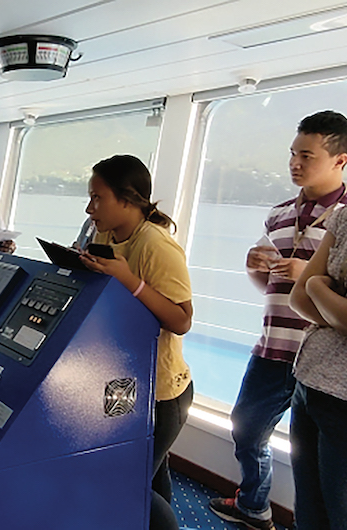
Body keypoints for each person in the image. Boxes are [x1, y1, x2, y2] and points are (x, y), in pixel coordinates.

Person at [209, 110, 347, 530]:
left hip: (324, 359)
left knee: (327, 481)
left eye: (307, 155)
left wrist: (306, 278)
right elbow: (267, 288)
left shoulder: (343, 216)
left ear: (341, 160)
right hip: (274, 343)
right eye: (292, 154)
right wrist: (254, 267)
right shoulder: (279, 213)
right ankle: (254, 504)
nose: (295, 163)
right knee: (246, 431)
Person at [78, 154, 193, 530]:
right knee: (149, 480)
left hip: (161, 394)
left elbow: (181, 320)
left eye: (98, 199)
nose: (90, 208)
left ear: (127, 200)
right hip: (125, 386)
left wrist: (131, 281)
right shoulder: (105, 235)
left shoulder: (157, 245)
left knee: (127, 485)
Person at [288, 203, 347, 529]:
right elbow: (298, 298)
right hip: (311, 381)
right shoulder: (344, 216)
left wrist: (317, 287)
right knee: (309, 512)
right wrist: (323, 299)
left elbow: (309, 288)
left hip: (343, 400)